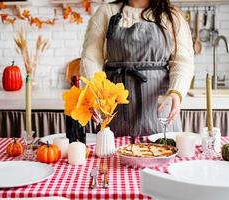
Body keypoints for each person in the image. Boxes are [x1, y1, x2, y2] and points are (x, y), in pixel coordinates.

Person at [80, 0, 194, 139]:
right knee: (112, 157)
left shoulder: (171, 16)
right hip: (114, 108)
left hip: (160, 106)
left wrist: (176, 92)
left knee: (164, 151)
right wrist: (95, 93)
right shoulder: (106, 12)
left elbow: (183, 61)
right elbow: (91, 58)